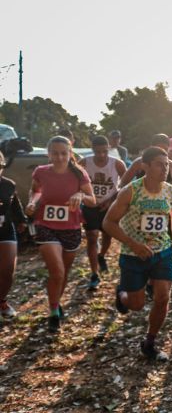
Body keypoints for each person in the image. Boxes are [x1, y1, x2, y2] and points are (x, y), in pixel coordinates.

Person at [103, 146, 172, 360]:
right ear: (145, 166)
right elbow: (108, 223)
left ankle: (150, 340)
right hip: (133, 254)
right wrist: (133, 244)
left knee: (163, 296)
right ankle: (122, 294)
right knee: (136, 305)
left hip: (162, 252)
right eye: (159, 164)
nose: (164, 169)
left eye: (166, 165)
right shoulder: (131, 191)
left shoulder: (171, 191)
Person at [25, 136, 95, 332]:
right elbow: (36, 191)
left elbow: (92, 200)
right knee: (57, 271)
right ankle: (53, 311)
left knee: (63, 273)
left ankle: (55, 301)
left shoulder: (78, 173)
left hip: (71, 228)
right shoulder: (41, 172)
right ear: (48, 154)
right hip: (46, 225)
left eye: (63, 153)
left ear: (70, 154)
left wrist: (81, 195)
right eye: (55, 153)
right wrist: (32, 203)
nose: (59, 157)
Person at [79, 136, 127, 290]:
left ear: (108, 149)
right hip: (90, 205)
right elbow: (73, 179)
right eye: (97, 152)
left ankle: (101, 256)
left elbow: (126, 185)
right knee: (92, 237)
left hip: (109, 206)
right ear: (92, 150)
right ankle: (94, 274)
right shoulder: (84, 163)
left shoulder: (117, 164)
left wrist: (111, 200)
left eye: (104, 151)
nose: (101, 155)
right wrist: (82, 195)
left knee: (107, 236)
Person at [0, 151, 28, 319]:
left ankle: (2, 301)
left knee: (7, 270)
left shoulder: (9, 185)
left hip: (5, 230)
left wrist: (22, 220)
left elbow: (15, 203)